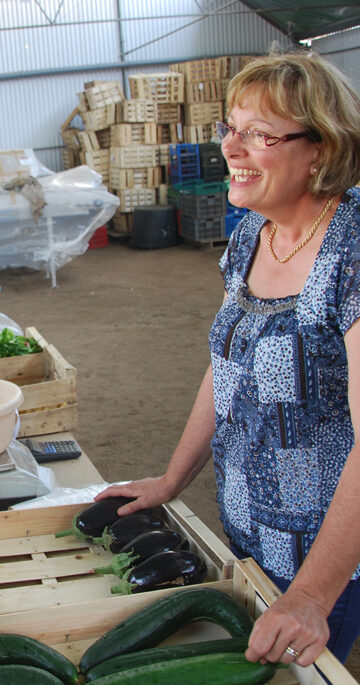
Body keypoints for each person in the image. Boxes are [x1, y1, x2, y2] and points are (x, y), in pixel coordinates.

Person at [98, 51, 360, 667]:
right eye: (230, 128)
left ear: (320, 148)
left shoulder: (352, 253)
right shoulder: (251, 234)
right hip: (248, 533)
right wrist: (172, 478)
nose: (232, 150)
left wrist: (311, 597)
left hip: (324, 561)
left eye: (260, 134)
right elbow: (229, 367)